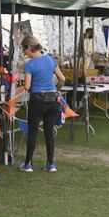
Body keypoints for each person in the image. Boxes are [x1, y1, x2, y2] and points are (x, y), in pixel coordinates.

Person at [19, 36, 66, 173]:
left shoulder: (30, 64)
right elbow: (62, 79)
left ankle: (28, 164)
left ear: (29, 48)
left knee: (32, 132)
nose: (24, 52)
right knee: (49, 132)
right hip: (52, 100)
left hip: (37, 100)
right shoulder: (50, 60)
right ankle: (50, 164)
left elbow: (27, 86)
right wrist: (56, 90)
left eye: (24, 49)